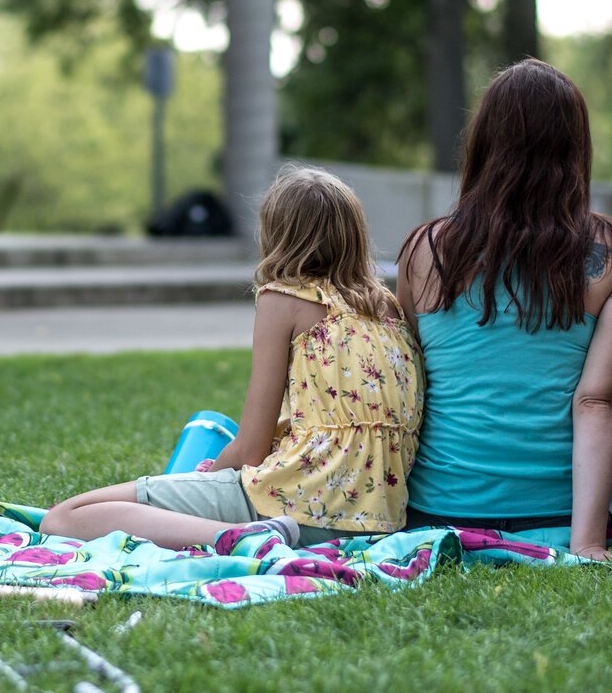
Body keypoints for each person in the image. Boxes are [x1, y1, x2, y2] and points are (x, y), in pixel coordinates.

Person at [41, 165, 423, 549]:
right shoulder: (389, 312)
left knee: (63, 518)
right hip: (377, 518)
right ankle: (248, 532)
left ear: (276, 234)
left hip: (295, 502)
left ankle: (244, 538)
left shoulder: (285, 299)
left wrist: (209, 477)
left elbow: (250, 447)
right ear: (355, 234)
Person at [395, 58, 612, 562]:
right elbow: (598, 401)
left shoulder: (423, 250)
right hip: (554, 517)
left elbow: (412, 383)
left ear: (484, 144)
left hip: (434, 515)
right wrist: (588, 543)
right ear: (576, 147)